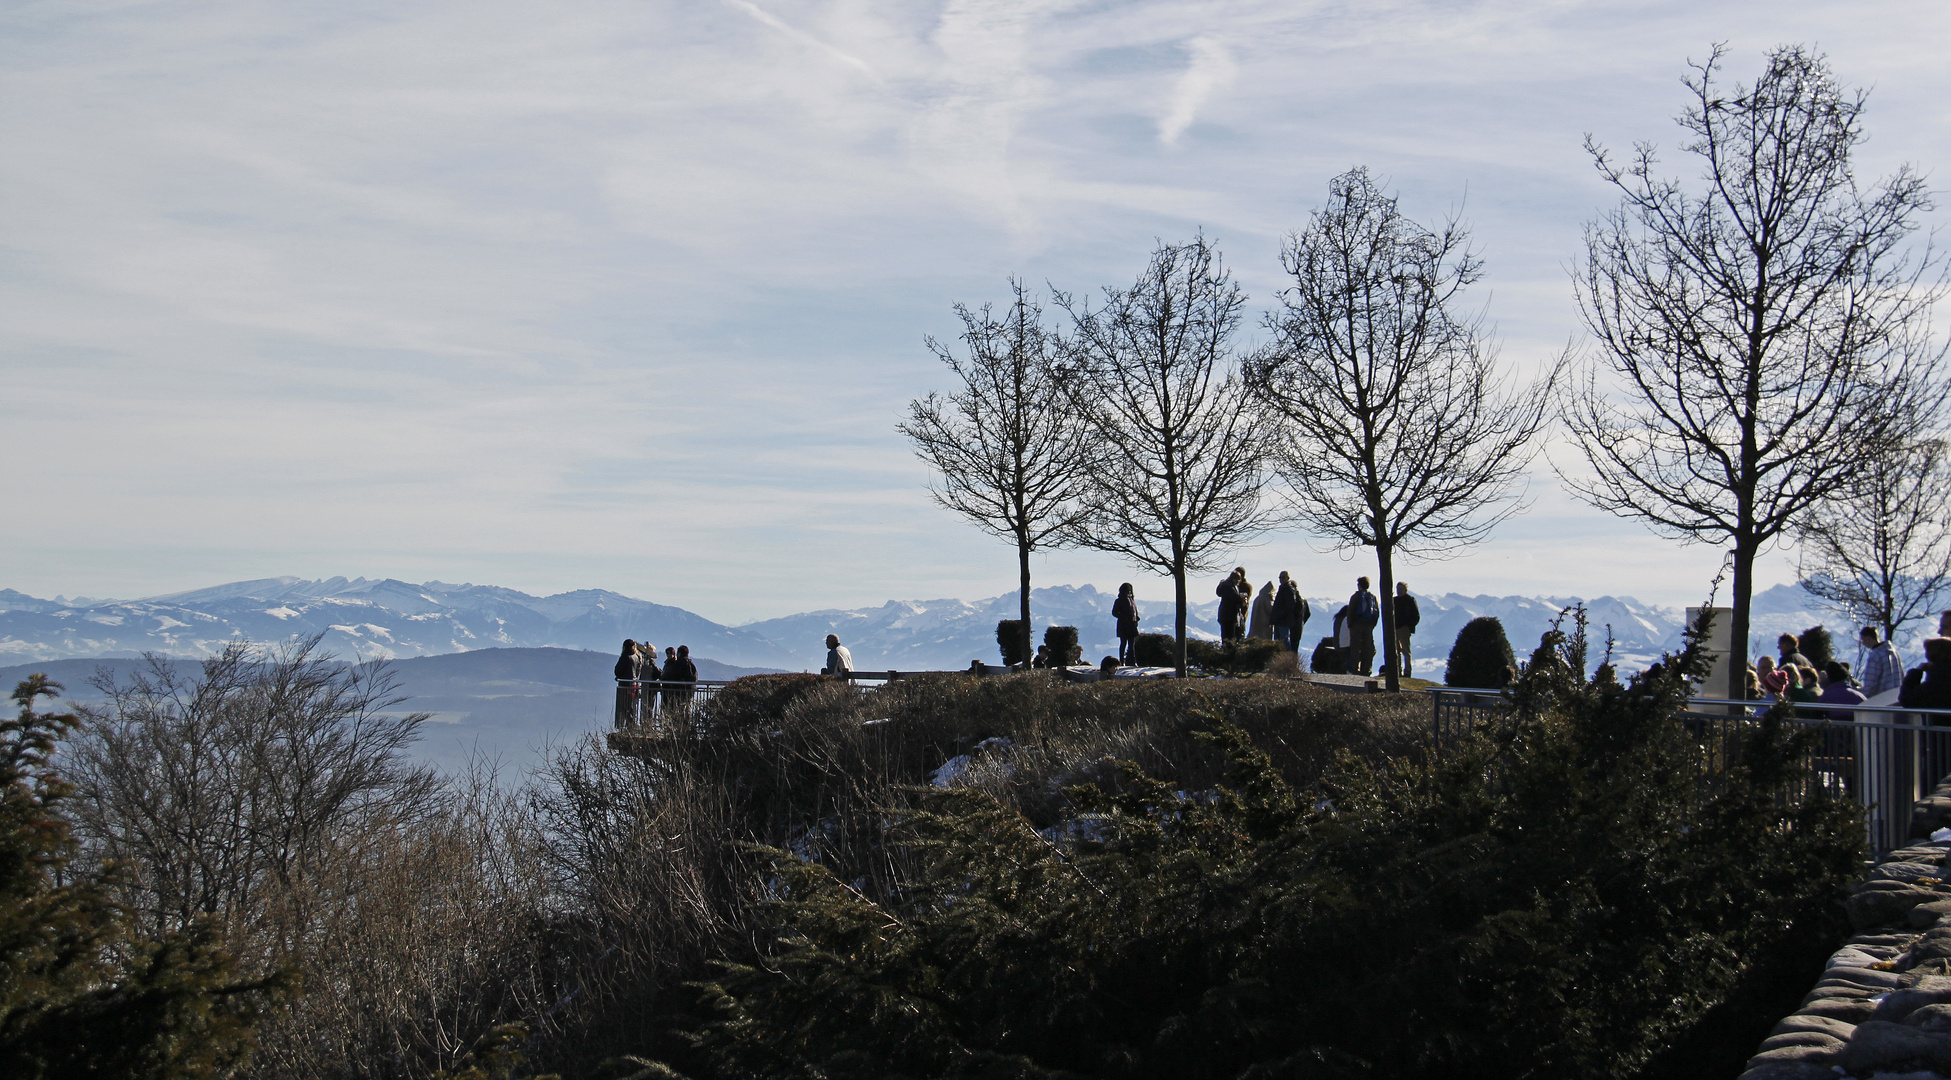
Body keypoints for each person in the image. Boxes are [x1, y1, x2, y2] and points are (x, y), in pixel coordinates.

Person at [1347, 577, 1380, 676]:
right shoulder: (1372, 597)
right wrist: (1372, 625)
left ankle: (1355, 668)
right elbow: (1376, 613)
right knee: (1368, 647)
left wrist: (1351, 625)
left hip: (1357, 625)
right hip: (1368, 626)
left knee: (1356, 647)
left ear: (1359, 585)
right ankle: (1366, 669)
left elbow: (1351, 611)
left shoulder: (1356, 597)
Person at [1859, 626, 1905, 699]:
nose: (1863, 643)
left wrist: (1862, 695)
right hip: (1895, 697)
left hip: (1881, 698)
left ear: (1868, 638)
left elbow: (1871, 682)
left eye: (1863, 640)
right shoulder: (1894, 653)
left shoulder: (1875, 655)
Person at [1270, 572, 1308, 654]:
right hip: (1280, 621)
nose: (1281, 579)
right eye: (1280, 577)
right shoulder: (1282, 589)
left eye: (1283, 577)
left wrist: (1281, 615)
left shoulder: (1288, 590)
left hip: (1283, 621)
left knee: (1284, 643)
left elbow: (1290, 606)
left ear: (1288, 578)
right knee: (1279, 643)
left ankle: (1287, 661)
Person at [1393, 582, 1421, 678]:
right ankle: (1398, 671)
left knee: (1405, 651)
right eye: (1398, 589)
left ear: (1405, 590)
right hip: (1395, 628)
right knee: (1396, 651)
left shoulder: (1410, 600)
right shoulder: (1394, 600)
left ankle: (1407, 671)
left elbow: (1416, 616)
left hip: (1404, 628)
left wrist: (1408, 626)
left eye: (1401, 589)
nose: (1399, 591)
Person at [1216, 568, 1251, 644]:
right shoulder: (1230, 587)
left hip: (1225, 616)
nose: (1239, 581)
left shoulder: (1226, 586)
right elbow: (1236, 598)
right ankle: (1228, 653)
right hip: (1230, 616)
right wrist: (1243, 597)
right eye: (1238, 579)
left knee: (1226, 637)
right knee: (1230, 638)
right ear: (1234, 579)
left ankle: (1226, 651)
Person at [614, 638, 642, 725]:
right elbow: (637, 671)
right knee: (631, 705)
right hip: (634, 684)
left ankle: (630, 723)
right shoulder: (637, 657)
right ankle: (631, 723)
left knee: (624, 705)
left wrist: (618, 676)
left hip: (625, 685)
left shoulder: (625, 657)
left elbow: (618, 670)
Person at [1113, 584, 1140, 664]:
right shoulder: (1119, 600)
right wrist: (1124, 617)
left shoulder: (1132, 600)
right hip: (1124, 625)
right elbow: (1114, 612)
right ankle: (1121, 661)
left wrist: (1136, 618)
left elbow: (1135, 612)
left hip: (1132, 625)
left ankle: (1131, 661)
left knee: (1131, 644)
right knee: (1123, 643)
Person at [638, 641, 662, 720]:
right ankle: (647, 722)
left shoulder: (648, 663)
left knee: (647, 706)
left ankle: (646, 722)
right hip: (650, 688)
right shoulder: (650, 663)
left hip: (649, 688)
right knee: (649, 706)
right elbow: (658, 673)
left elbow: (657, 673)